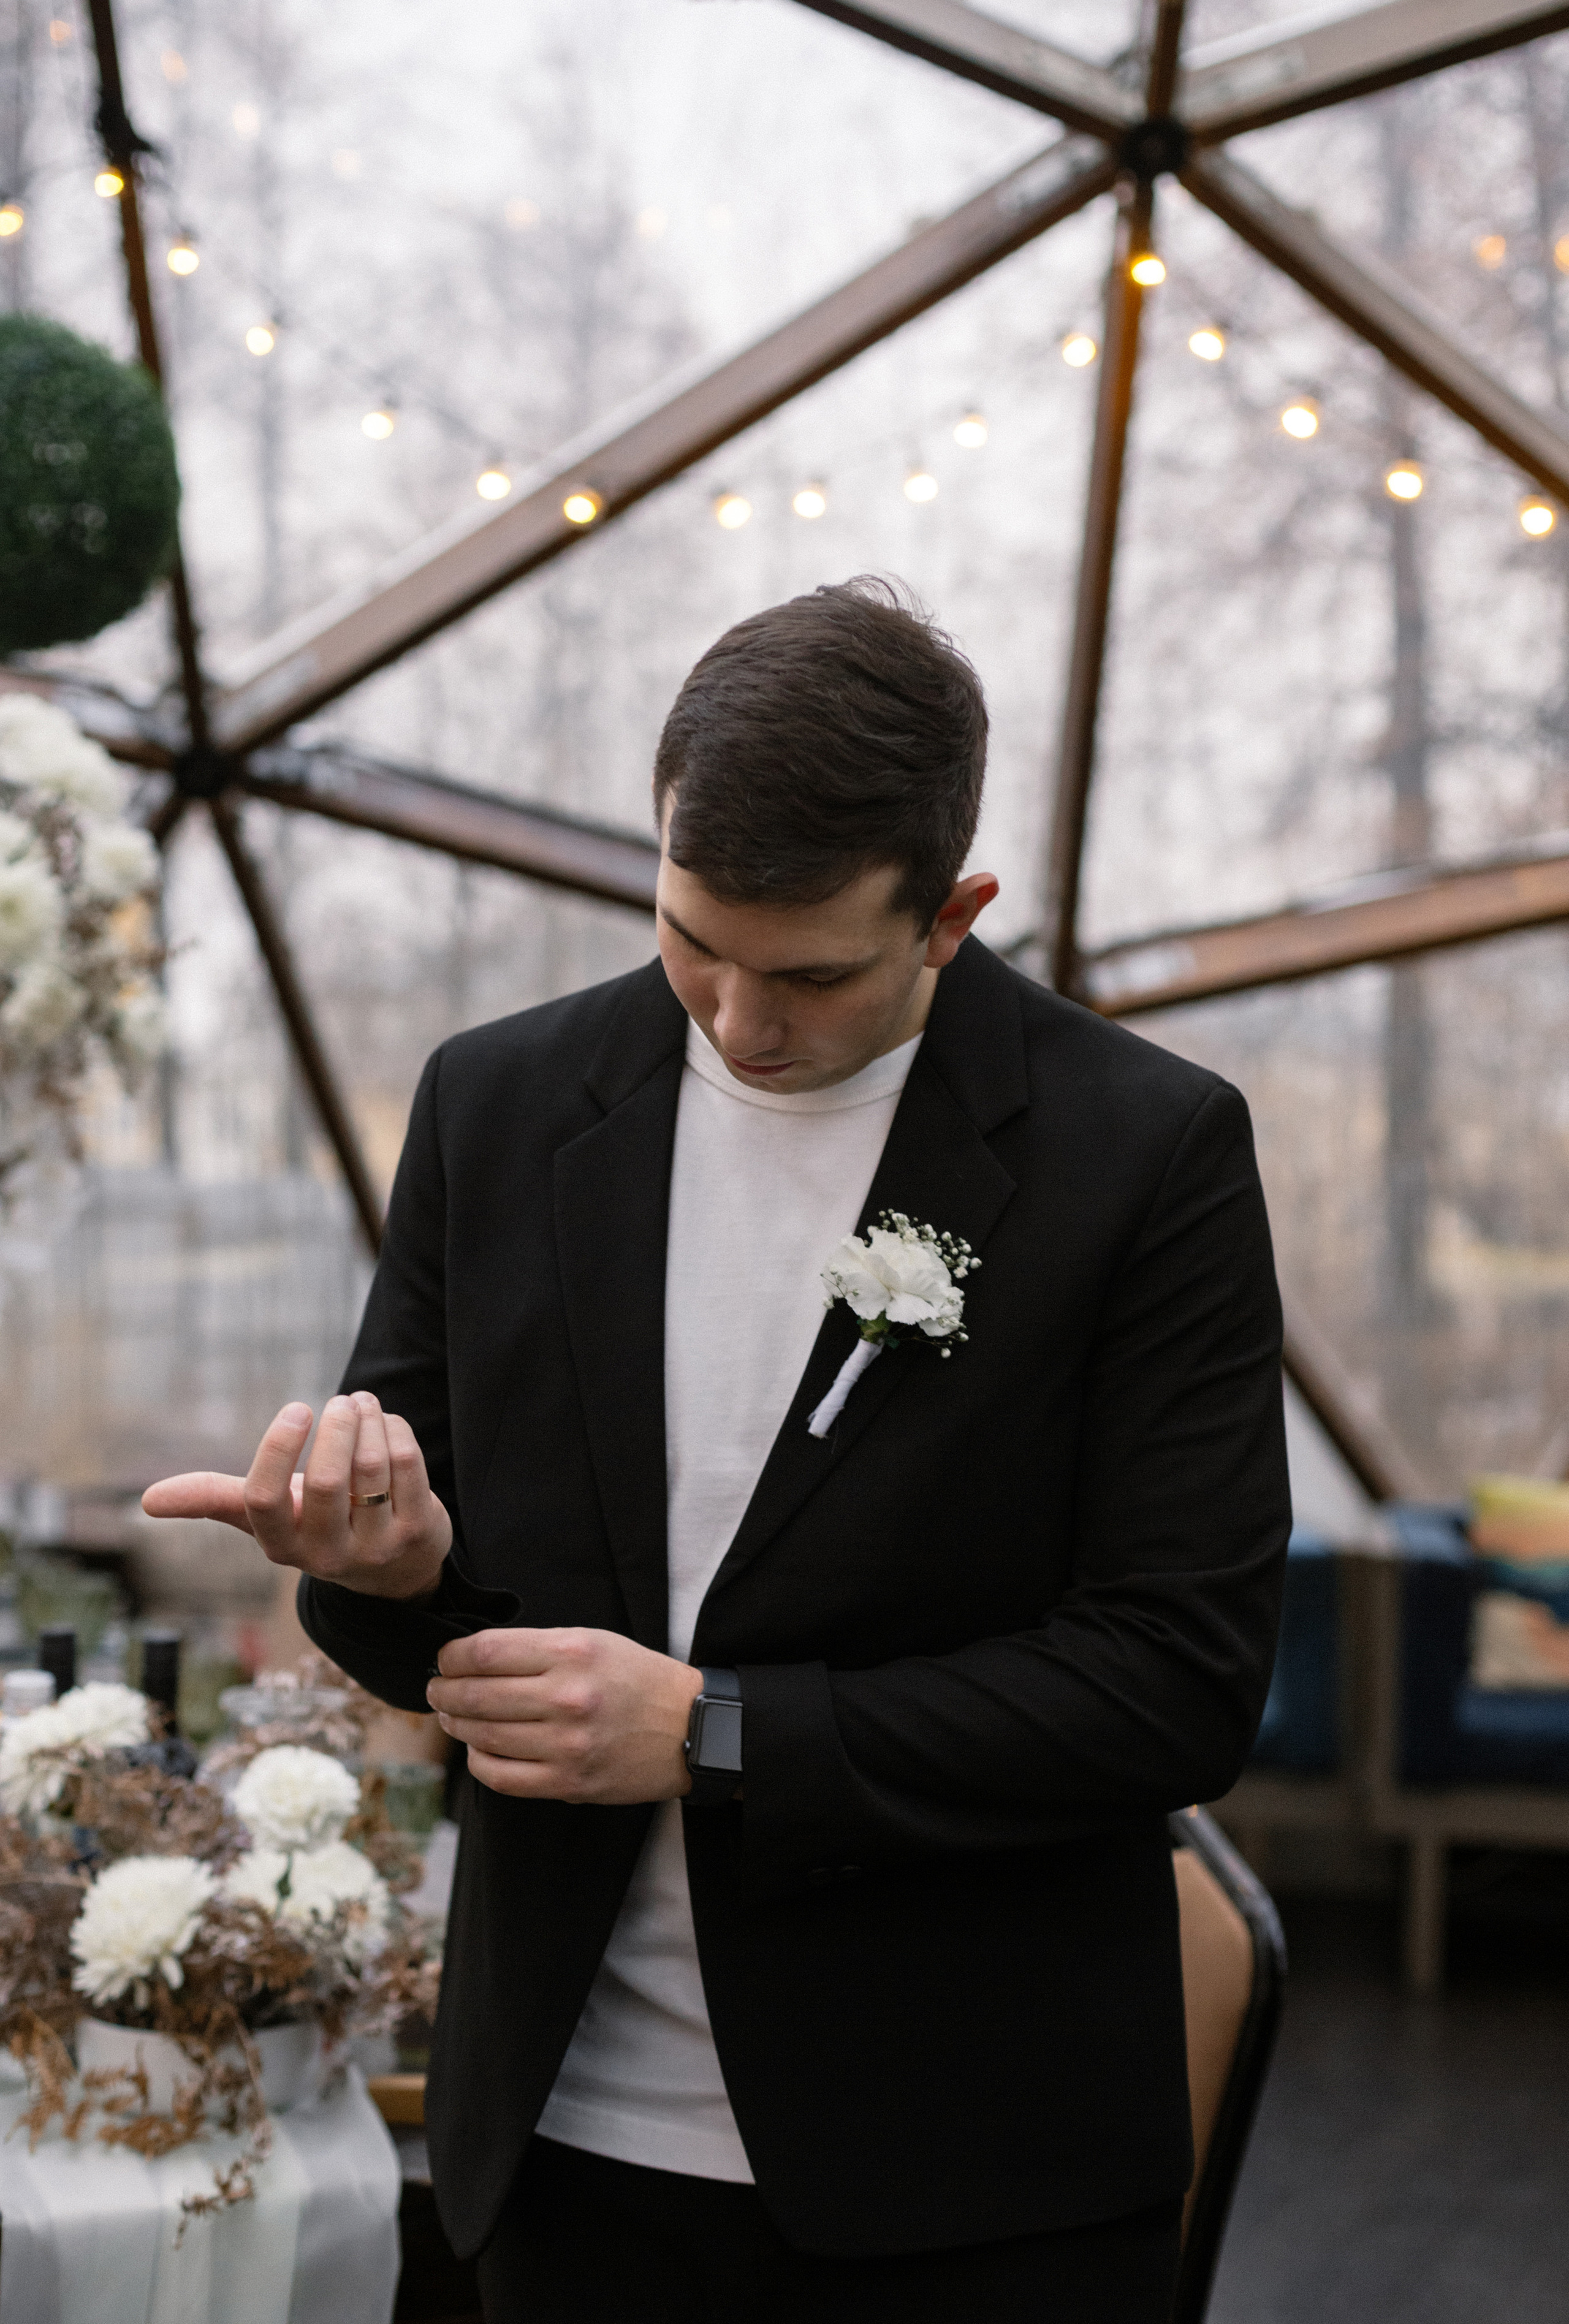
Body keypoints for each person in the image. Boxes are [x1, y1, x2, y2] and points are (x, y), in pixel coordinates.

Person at [144, 577, 1290, 2323]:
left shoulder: (1148, 1156)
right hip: (564, 2150)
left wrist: (717, 1737)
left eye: (812, 972)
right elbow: (435, 1634)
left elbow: (1177, 1683)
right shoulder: (498, 1104)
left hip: (980, 2178)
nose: (739, 1025)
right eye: (693, 938)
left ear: (955, 913)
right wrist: (379, 1573)